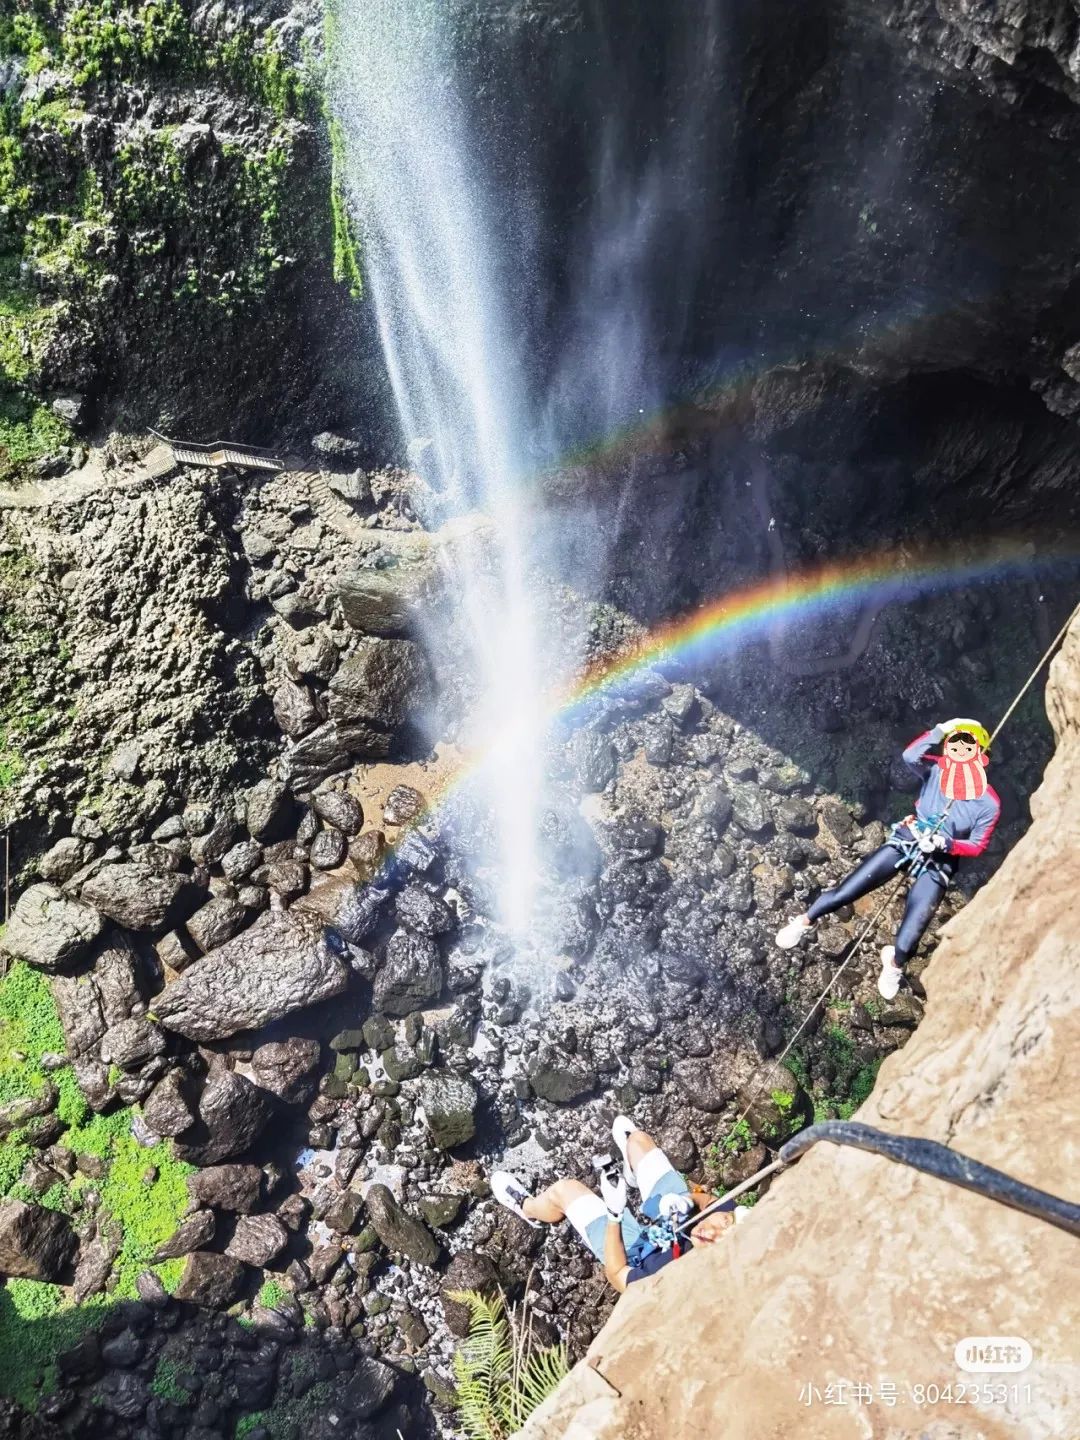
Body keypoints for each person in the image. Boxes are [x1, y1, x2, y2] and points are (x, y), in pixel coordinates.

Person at [775, 718, 1001, 999]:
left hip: (941, 859)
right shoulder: (936, 770)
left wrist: (947, 842)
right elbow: (910, 756)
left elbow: (977, 845)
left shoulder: (988, 803)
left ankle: (894, 962)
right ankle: (803, 922)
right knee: (847, 891)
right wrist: (940, 730)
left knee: (911, 933)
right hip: (909, 837)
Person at [491, 1117, 742, 1293]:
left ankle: (528, 1209)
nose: (710, 1232)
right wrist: (687, 1200)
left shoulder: (666, 1284)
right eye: (724, 1223)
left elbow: (617, 1274)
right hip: (677, 1213)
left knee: (564, 1190)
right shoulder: (741, 1225)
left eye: (717, 1242)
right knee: (638, 1140)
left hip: (635, 1252)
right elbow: (709, 1201)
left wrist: (614, 1213)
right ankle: (632, 1173)